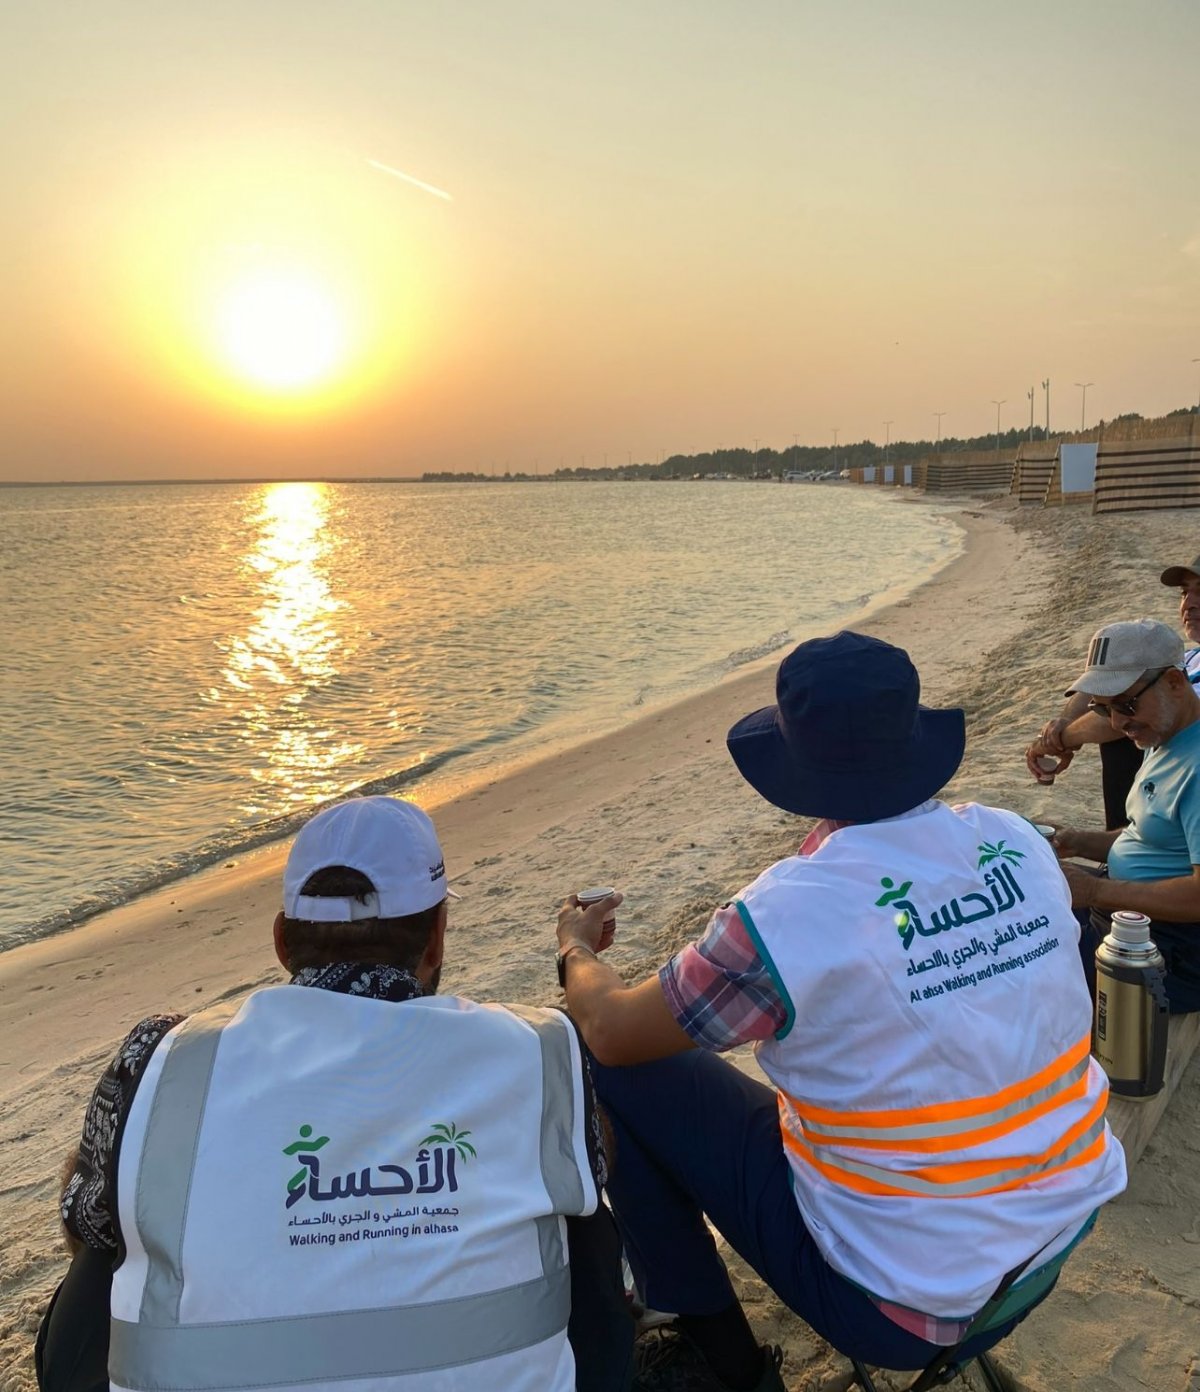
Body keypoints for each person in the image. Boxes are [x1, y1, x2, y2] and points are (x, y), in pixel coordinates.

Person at [554, 631, 1126, 1391]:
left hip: (903, 1307)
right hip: (1054, 1235)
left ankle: (721, 1356)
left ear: (796, 771)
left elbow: (613, 1029)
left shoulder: (786, 914)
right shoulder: (1013, 840)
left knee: (607, 1063)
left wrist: (575, 950)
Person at [38, 796, 633, 1392]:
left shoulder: (164, 1055)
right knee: (579, 1210)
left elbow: (84, 1222)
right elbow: (595, 1162)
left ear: (282, 941)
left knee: (114, 1216)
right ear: (436, 940)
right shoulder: (535, 1044)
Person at [1051, 619, 1200, 1013]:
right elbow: (1156, 837)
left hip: (1171, 950)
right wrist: (1078, 841)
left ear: (1174, 681)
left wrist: (1094, 891)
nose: (1117, 723)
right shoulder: (1167, 735)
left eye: (1126, 704)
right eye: (1103, 708)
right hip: (1134, 918)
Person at [1024, 553, 1200, 828]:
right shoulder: (1190, 658)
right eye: (1184, 593)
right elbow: (1110, 678)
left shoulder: (1175, 679)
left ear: (1175, 681)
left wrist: (1060, 739)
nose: (1189, 604)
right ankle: (1124, 841)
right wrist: (1063, 722)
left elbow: (1139, 715)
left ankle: (1125, 837)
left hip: (1182, 784)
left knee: (1128, 727)